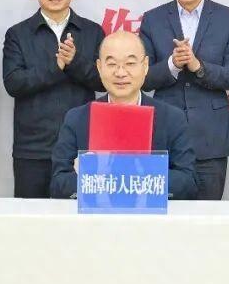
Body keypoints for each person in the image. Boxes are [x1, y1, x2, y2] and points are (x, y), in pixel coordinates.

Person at [140, 0, 229, 199]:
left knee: (208, 217)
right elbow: (142, 78)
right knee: (164, 215)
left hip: (211, 139)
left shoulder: (228, 18)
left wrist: (198, 66)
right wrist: (172, 65)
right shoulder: (153, 19)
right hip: (164, 136)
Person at [50, 31, 197, 200]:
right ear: (99, 67)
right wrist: (90, 176)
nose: (120, 73)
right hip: (96, 215)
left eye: (130, 63)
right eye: (112, 64)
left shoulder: (172, 118)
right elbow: (58, 184)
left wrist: (118, 175)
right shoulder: (77, 118)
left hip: (150, 215)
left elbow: (188, 183)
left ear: (145, 66)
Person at [3, 0, 104, 198]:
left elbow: (104, 81)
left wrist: (74, 63)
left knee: (81, 215)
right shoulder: (18, 34)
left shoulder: (92, 31)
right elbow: (13, 83)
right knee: (31, 216)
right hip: (33, 148)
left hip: (82, 146)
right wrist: (56, 66)